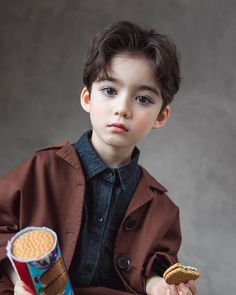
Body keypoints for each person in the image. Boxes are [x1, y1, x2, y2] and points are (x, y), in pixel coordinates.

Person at [0, 21, 197, 295]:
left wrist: (159, 286)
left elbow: (157, 265)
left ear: (161, 116)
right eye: (110, 91)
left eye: (143, 99)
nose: (122, 109)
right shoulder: (41, 169)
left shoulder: (161, 208)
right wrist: (21, 279)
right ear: (87, 98)